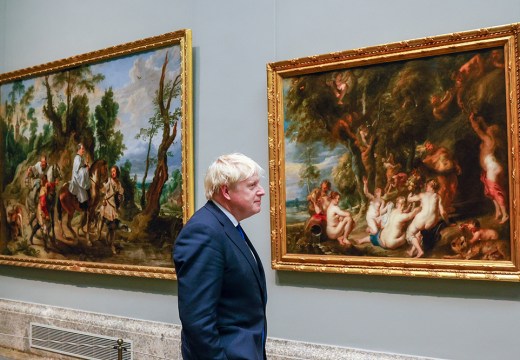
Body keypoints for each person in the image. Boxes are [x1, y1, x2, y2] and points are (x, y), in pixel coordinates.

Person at [173, 153, 267, 360]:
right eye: (252, 186)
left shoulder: (225, 226)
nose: (261, 192)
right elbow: (198, 322)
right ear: (226, 191)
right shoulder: (203, 232)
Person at [469, 112, 508, 224]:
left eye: (489, 129)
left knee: (495, 191)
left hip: (492, 167)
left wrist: (472, 120)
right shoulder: (489, 139)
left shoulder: (488, 140)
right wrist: (482, 121)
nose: (487, 129)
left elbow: (478, 130)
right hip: (489, 168)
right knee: (490, 192)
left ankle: (505, 214)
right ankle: (498, 212)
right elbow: (485, 129)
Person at [406, 178, 448, 257]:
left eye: (428, 186)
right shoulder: (438, 197)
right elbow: (443, 212)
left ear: (431, 187)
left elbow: (410, 199)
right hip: (431, 222)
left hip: (421, 220)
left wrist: (410, 194)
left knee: (410, 234)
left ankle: (420, 251)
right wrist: (448, 222)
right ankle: (412, 251)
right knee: (418, 233)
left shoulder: (423, 195)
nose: (426, 187)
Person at [100, 165, 124, 254]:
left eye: (114, 171)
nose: (113, 173)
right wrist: (102, 187)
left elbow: (121, 193)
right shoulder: (109, 181)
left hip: (113, 206)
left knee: (112, 228)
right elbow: (104, 190)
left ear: (117, 172)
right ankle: (101, 236)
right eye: (112, 171)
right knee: (104, 222)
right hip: (107, 206)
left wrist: (120, 197)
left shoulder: (118, 183)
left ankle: (112, 245)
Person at [69, 143, 90, 210]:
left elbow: (82, 167)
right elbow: (77, 172)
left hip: (81, 179)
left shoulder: (80, 158)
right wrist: (86, 170)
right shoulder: (77, 158)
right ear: (79, 149)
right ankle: (83, 208)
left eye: (83, 149)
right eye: (82, 149)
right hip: (77, 180)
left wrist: (86, 165)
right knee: (83, 194)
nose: (83, 150)